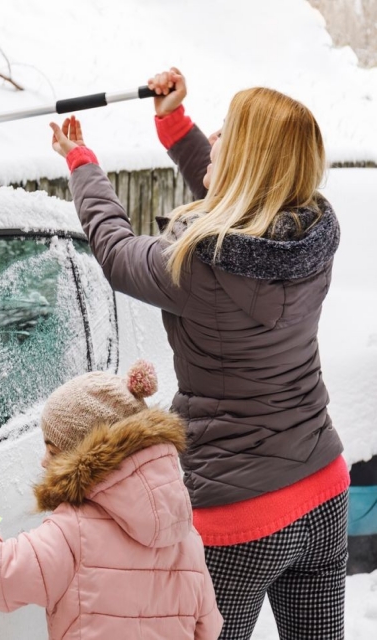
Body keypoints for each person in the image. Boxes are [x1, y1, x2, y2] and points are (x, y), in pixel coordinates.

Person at [49, 68, 350, 640]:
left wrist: (83, 163)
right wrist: (174, 123)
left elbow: (114, 252)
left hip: (238, 520)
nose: (211, 139)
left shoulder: (196, 266)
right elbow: (245, 204)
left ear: (244, 161)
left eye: (224, 135)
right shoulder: (313, 238)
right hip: (321, 489)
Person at [0, 361, 223, 640]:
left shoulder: (72, 533)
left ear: (82, 459)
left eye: (53, 452)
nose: (44, 462)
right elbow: (208, 629)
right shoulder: (185, 534)